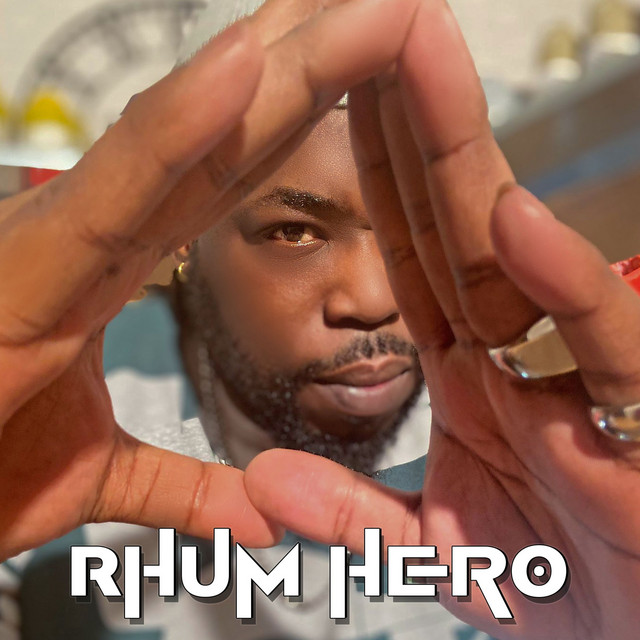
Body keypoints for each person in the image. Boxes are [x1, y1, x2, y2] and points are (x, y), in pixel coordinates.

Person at [1, 0, 639, 638]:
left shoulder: (541, 434)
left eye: (413, 233)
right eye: (293, 232)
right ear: (186, 234)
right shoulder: (59, 418)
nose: (374, 299)